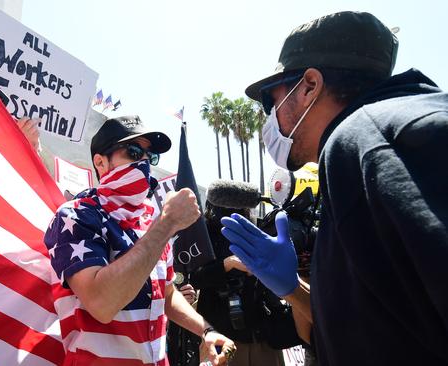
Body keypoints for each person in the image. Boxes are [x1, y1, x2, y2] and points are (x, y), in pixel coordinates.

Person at [220, 11, 448, 366]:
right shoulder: (368, 140)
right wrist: (293, 287)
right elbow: (373, 325)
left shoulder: (366, 135)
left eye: (270, 100)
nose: (270, 115)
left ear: (310, 86)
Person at [44, 115, 236, 365]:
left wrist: (205, 330)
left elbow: (166, 294)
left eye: (150, 156)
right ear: (100, 163)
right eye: (134, 152)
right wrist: (167, 224)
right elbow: (101, 304)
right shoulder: (77, 215)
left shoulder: (149, 222)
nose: (145, 162)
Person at [191, 200, 288, 366]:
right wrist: (227, 265)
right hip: (223, 336)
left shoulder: (256, 228)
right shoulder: (203, 232)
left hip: (262, 334)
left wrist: (259, 269)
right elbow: (194, 278)